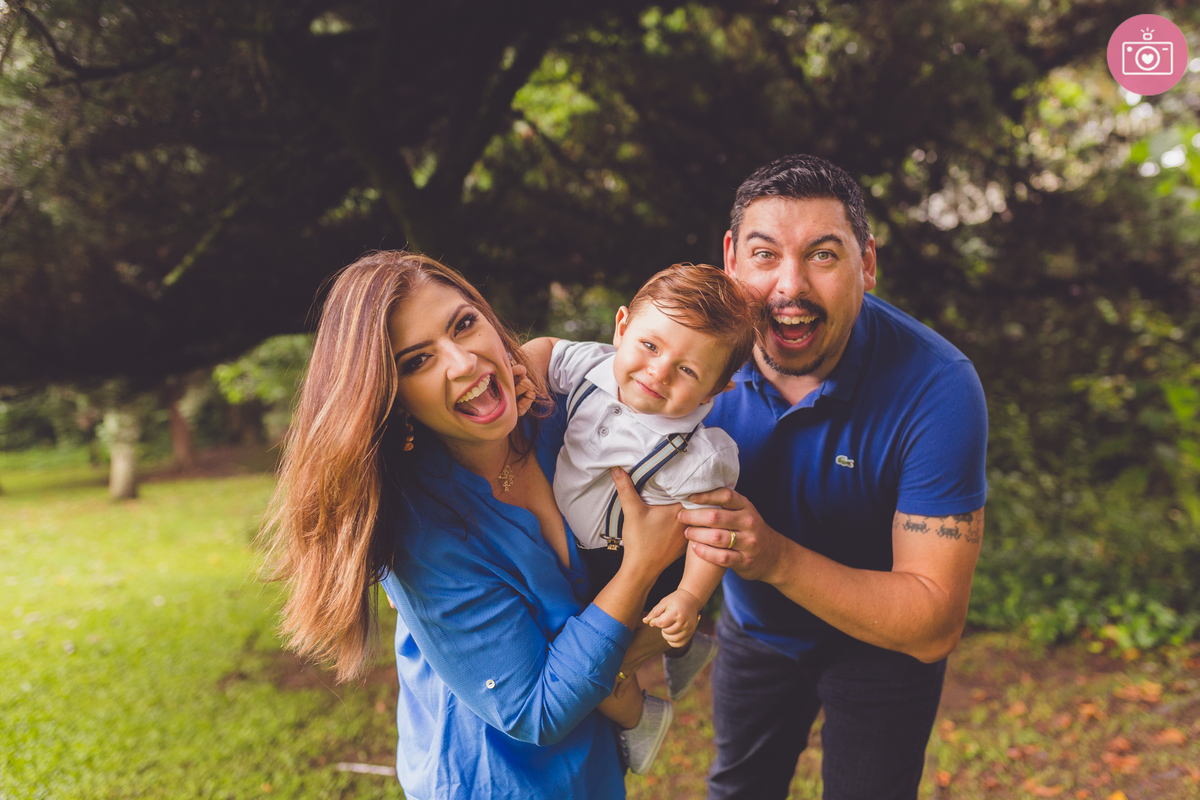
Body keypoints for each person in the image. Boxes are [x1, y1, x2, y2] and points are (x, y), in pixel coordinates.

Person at [259, 251, 687, 800]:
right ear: (392, 398)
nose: (464, 362)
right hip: (491, 779)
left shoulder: (556, 418)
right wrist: (641, 566)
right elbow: (533, 711)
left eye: (463, 324)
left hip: (593, 767)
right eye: (418, 360)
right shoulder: (422, 533)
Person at [680, 155, 989, 799]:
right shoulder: (685, 357)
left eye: (822, 255)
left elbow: (934, 623)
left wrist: (773, 558)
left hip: (884, 644)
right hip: (756, 631)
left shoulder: (938, 385)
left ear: (866, 264)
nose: (790, 286)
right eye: (765, 255)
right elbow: (570, 377)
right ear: (731, 260)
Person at [522, 263, 760, 773]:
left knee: (595, 666)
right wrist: (521, 373)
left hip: (629, 565)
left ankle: (641, 718)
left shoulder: (696, 456)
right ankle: (684, 649)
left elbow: (711, 534)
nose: (659, 372)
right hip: (577, 547)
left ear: (714, 391)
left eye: (688, 371)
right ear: (622, 327)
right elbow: (546, 348)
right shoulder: (592, 368)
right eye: (650, 346)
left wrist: (690, 597)